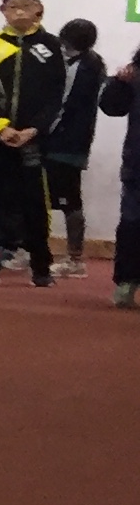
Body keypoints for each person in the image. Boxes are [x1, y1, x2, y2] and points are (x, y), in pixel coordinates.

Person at [0, 0, 65, 288]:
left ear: (38, 8)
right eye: (13, 7)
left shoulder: (52, 46)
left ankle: (41, 267)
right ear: (3, 10)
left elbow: (56, 96)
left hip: (32, 139)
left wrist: (34, 129)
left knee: (34, 204)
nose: (20, 13)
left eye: (26, 6)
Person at [44, 19, 104, 276]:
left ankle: (75, 258)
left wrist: (42, 128)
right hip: (61, 140)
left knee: (69, 199)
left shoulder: (87, 67)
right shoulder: (74, 61)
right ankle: (32, 248)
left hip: (68, 142)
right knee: (43, 195)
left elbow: (63, 103)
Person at [98, 48, 140, 310]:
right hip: (137, 164)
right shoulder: (134, 74)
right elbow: (112, 108)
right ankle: (126, 282)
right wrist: (119, 83)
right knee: (132, 225)